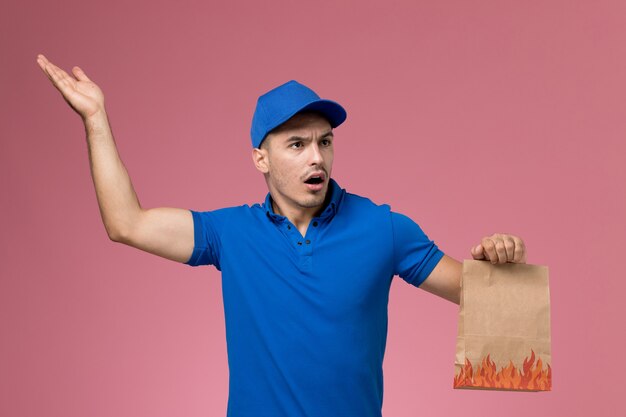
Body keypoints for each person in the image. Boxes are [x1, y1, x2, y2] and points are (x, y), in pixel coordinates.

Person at [36, 54, 528, 417]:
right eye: (297, 144)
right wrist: (96, 120)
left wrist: (498, 264)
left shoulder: (385, 229)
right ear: (261, 159)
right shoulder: (229, 233)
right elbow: (126, 222)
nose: (316, 157)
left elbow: (487, 296)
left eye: (325, 142)